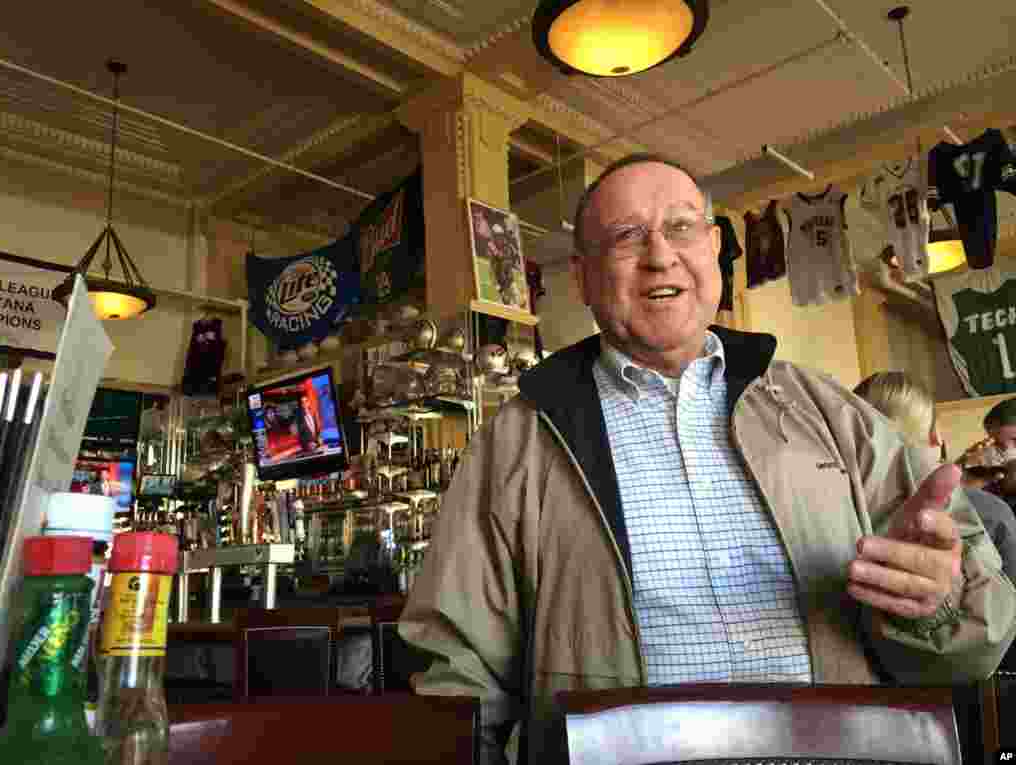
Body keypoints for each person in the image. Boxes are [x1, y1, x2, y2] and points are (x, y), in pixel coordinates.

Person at [400, 154, 1016, 764]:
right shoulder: (519, 439)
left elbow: (974, 641)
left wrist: (933, 604)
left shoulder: (831, 413)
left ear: (716, 248)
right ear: (584, 278)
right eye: (625, 236)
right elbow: (456, 674)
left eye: (681, 227)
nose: (660, 255)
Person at [854, 371, 1016, 581]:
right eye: (998, 444)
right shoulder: (991, 506)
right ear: (935, 436)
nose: (1006, 453)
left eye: (1014, 440)